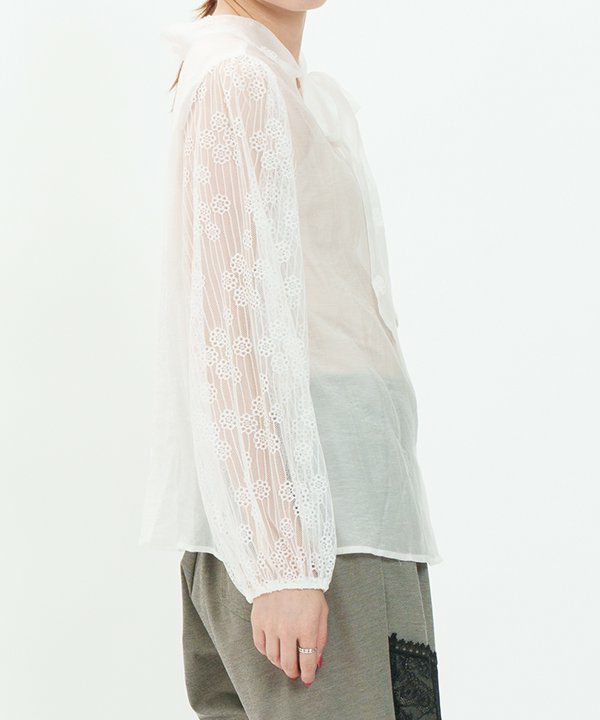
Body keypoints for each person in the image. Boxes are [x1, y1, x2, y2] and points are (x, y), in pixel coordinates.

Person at [141, 1, 442, 717]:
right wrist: (280, 562)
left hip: (335, 520)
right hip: (318, 532)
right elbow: (228, 326)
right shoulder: (238, 78)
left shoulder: (278, 82)